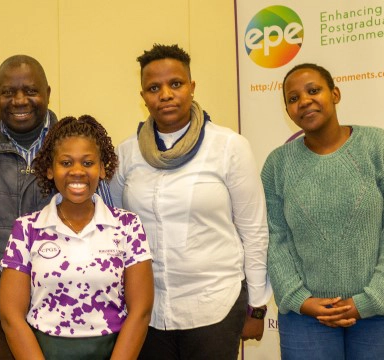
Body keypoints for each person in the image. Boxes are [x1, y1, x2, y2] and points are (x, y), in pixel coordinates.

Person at [0, 55, 113, 360]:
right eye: (8, 92)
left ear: (48, 92)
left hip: (74, 315)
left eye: (30, 91)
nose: (19, 100)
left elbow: (111, 229)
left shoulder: (78, 148)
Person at [110, 44, 271, 360]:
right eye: (154, 88)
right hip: (148, 311)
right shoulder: (126, 154)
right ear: (143, 96)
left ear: (192, 87)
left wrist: (257, 307)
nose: (165, 94)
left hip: (215, 306)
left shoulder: (229, 147)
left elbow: (254, 231)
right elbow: (115, 228)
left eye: (176, 84)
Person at [262, 63, 384, 359]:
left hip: (383, 315)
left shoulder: (381, 148)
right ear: (287, 110)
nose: (304, 101)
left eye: (313, 90)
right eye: (293, 99)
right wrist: (300, 299)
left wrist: (368, 301)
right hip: (306, 319)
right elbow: (274, 237)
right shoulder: (277, 166)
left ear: (335, 93)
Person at [0, 115, 154, 359]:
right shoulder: (27, 229)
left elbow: (141, 311)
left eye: (88, 162)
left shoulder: (127, 226)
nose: (78, 172)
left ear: (103, 168)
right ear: (50, 169)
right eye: (66, 162)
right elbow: (10, 315)